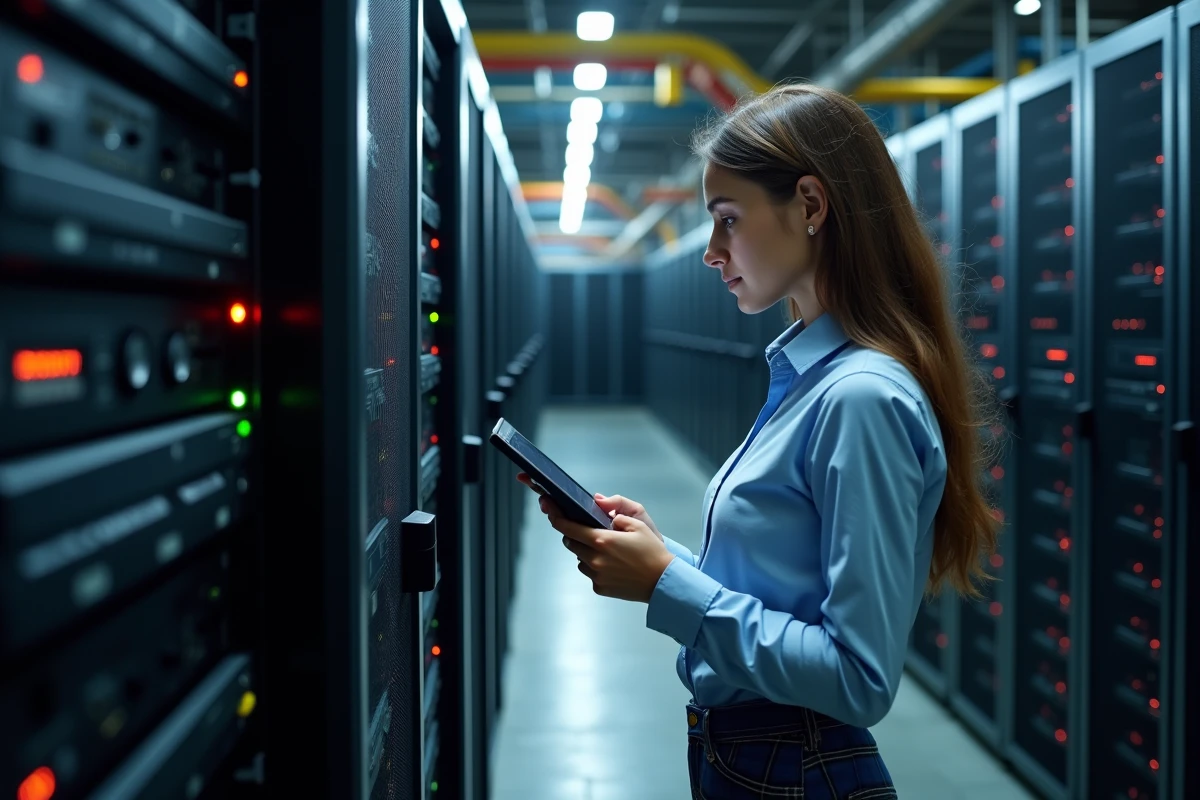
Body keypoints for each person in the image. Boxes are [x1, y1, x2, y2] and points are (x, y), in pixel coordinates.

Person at [518, 83, 1000, 799]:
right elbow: (782, 590)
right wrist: (660, 554)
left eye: (727, 220)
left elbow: (858, 678)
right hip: (751, 759)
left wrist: (665, 584)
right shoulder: (809, 375)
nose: (713, 251)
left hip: (795, 769)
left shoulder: (861, 397)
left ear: (810, 205)